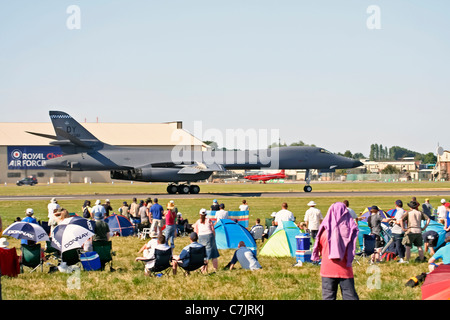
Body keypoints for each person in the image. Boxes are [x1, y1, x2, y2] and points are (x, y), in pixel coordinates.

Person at [311, 202, 359, 300]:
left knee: (328, 296)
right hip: (345, 269)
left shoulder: (323, 231)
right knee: (350, 296)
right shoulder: (349, 230)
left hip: (327, 269)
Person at [194, 208, 219, 273]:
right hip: (209, 235)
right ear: (206, 214)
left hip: (201, 236)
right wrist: (214, 238)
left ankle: (204, 269)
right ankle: (215, 269)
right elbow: (213, 230)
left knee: (204, 254)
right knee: (214, 254)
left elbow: (196, 231)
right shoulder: (209, 220)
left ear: (200, 214)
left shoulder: (198, 222)